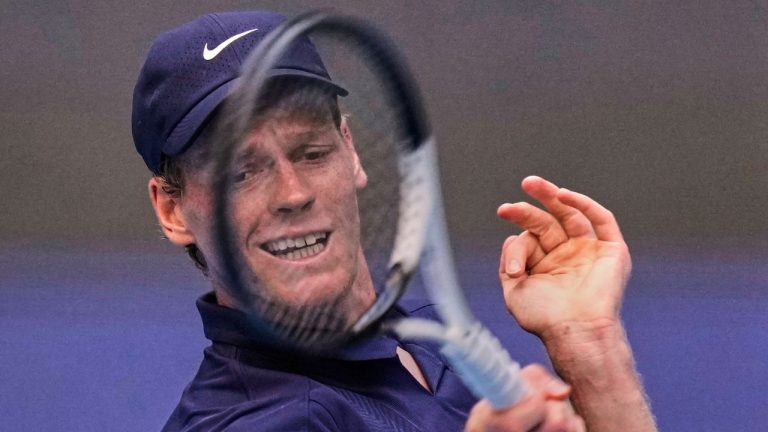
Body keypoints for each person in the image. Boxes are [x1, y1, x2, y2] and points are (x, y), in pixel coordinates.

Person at [132, 11, 655, 432]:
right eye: (242, 172)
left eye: (312, 152)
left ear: (351, 151)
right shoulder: (248, 422)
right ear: (172, 210)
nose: (292, 194)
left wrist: (590, 348)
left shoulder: (424, 341)